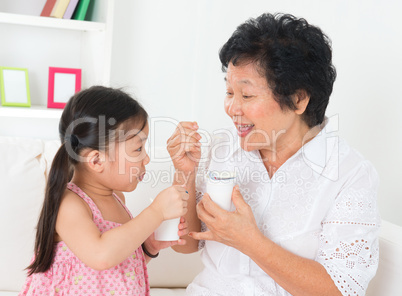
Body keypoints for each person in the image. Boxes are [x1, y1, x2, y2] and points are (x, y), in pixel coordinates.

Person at [168, 13, 380, 296]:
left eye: (246, 96)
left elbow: (340, 290)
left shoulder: (349, 175)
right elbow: (185, 244)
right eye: (229, 92)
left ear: (298, 99)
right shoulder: (220, 148)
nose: (232, 108)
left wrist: (250, 241)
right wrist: (185, 173)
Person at [19, 86, 189, 296]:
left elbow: (118, 268)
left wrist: (148, 248)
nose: (147, 158)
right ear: (97, 160)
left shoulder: (118, 199)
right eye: (138, 149)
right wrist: (155, 212)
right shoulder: (70, 204)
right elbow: (101, 256)